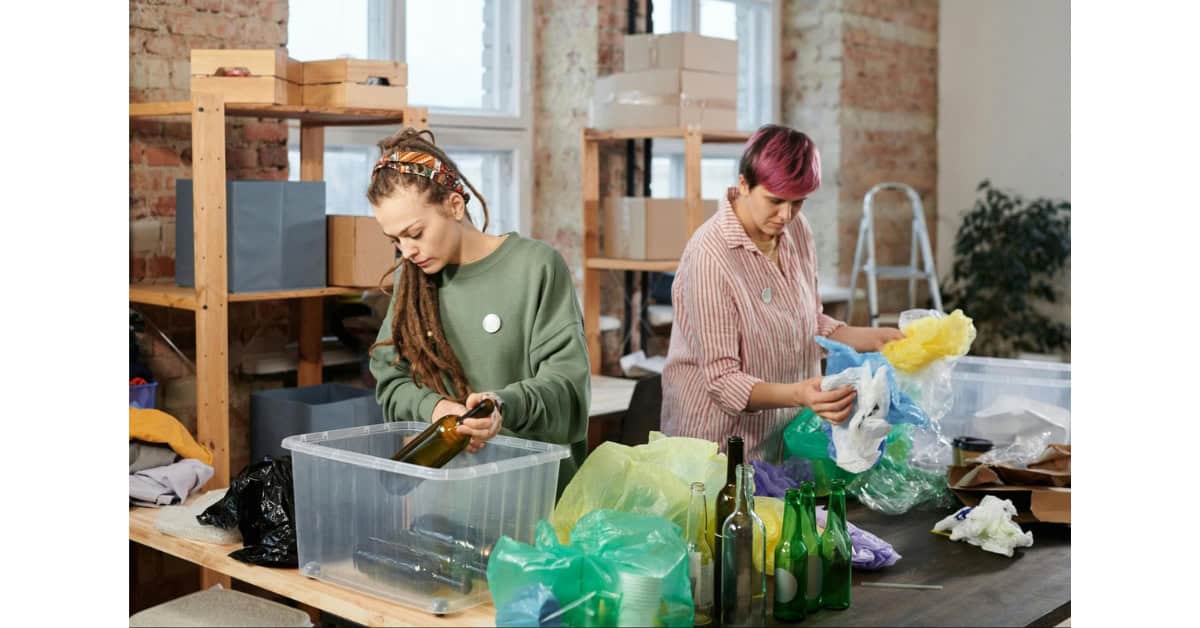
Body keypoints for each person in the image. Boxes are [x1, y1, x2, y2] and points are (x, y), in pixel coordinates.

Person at [661, 124, 905, 462]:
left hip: (781, 437)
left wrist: (872, 339)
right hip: (716, 448)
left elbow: (807, 320)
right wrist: (800, 394)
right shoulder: (710, 256)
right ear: (743, 184)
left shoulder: (796, 231)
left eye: (798, 202)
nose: (785, 215)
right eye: (775, 201)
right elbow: (723, 382)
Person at [367, 127, 591, 493]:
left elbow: (567, 387)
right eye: (396, 240)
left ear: (455, 205)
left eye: (416, 233)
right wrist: (437, 409)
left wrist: (502, 406)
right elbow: (391, 382)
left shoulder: (536, 267)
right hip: (450, 504)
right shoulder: (414, 285)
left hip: (535, 501)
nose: (407, 251)